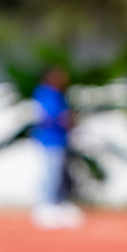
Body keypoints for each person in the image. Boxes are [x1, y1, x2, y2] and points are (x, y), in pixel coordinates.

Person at [30, 67, 82, 228]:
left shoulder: (59, 95)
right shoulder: (44, 93)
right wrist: (64, 119)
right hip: (48, 141)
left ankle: (58, 204)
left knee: (59, 175)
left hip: (59, 140)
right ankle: (44, 206)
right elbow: (46, 116)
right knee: (49, 174)